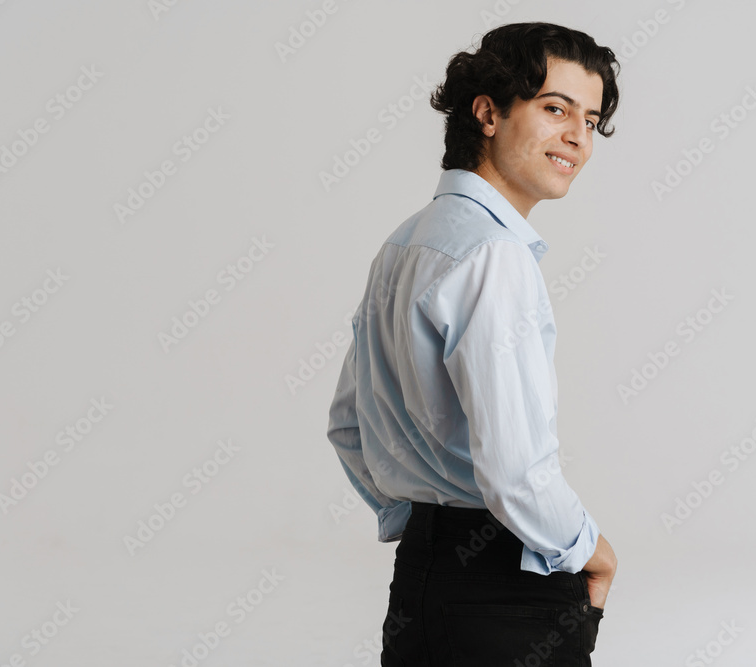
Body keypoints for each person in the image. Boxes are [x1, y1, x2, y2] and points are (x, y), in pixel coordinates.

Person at [326, 21, 621, 666]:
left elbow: (349, 425)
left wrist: (425, 526)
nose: (577, 135)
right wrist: (589, 551)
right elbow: (516, 473)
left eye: (592, 120)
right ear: (487, 112)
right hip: (508, 592)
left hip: (421, 589)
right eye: (555, 108)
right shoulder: (495, 256)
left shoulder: (404, 244)